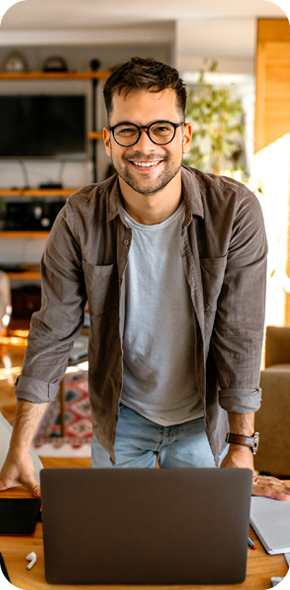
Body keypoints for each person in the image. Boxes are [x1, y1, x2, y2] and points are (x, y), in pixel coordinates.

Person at [0, 57, 289, 502]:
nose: (145, 145)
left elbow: (241, 336)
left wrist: (241, 445)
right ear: (109, 141)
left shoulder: (234, 212)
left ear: (185, 136)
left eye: (161, 128)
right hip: (121, 416)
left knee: (195, 546)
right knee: (116, 543)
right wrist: (20, 447)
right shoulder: (79, 218)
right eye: (128, 130)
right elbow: (52, 332)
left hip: (200, 419)